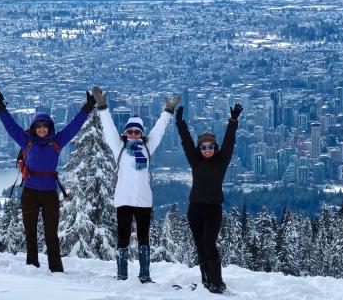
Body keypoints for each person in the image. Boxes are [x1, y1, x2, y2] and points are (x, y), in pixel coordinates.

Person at [0, 84, 96, 273]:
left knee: (51, 234)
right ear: (34, 128)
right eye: (38, 126)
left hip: (50, 193)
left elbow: (74, 127)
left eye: (45, 126)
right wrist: (0, 106)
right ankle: (32, 266)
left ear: (49, 127)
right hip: (30, 192)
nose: (42, 129)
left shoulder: (57, 141)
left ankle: (56, 268)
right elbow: (10, 125)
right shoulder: (26, 141)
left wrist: (87, 107)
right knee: (30, 232)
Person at [92, 86, 181, 283]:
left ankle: (145, 274)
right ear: (126, 133)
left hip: (144, 200)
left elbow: (158, 131)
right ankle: (122, 273)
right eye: (130, 131)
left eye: (137, 131)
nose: (133, 134)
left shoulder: (147, 148)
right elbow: (109, 130)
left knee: (143, 238)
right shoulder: (120, 148)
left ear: (141, 134)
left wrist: (167, 112)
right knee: (123, 237)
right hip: (123, 199)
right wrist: (103, 108)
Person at [175, 102, 243, 294]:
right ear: (200, 147)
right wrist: (180, 123)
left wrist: (233, 121)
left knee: (209, 243)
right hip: (194, 208)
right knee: (199, 244)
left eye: (210, 147)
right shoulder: (194, 159)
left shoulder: (221, 162)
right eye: (203, 147)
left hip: (213, 208)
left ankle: (217, 281)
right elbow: (186, 142)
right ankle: (206, 279)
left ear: (215, 147)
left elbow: (229, 143)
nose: (207, 150)